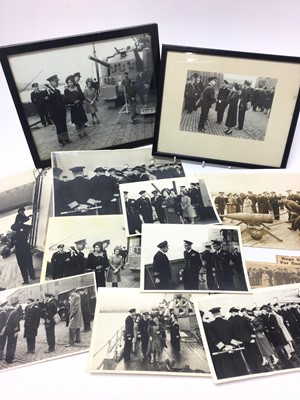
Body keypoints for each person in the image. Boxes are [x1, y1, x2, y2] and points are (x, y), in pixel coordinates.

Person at [44, 74, 71, 147]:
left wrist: (65, 108)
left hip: (62, 112)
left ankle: (66, 139)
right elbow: (45, 102)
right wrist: (49, 94)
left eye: (57, 81)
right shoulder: (46, 91)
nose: (57, 83)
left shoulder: (58, 91)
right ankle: (61, 141)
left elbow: (61, 101)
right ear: (50, 82)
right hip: (54, 113)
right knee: (59, 127)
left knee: (64, 125)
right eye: (56, 81)